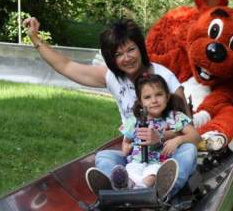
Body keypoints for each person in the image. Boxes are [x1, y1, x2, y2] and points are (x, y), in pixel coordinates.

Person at [22, 17, 198, 200]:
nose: (127, 58)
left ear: (140, 48)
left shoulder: (165, 78)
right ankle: (120, 191)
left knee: (189, 153)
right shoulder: (113, 77)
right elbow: (66, 65)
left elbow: (189, 134)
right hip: (136, 159)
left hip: (166, 158)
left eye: (131, 49)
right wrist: (35, 38)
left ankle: (160, 192)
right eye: (118, 54)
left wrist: (160, 137)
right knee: (103, 157)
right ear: (111, 59)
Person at [109, 73, 200, 199]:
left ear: (167, 96)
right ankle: (124, 188)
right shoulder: (134, 120)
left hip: (160, 163)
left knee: (152, 175)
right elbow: (126, 140)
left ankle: (147, 192)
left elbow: (196, 136)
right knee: (123, 169)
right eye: (147, 97)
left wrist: (178, 140)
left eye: (159, 94)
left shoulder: (174, 117)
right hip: (136, 161)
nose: (154, 100)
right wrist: (126, 148)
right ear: (140, 102)